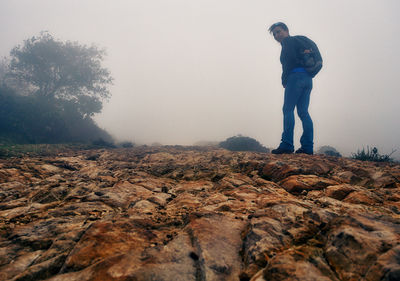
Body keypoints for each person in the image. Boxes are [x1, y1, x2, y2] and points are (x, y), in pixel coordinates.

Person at [268, 22, 322, 155]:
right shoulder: (301, 41)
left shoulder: (288, 42)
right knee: (303, 112)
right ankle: (307, 147)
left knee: (287, 109)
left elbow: (289, 61)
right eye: (274, 34)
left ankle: (287, 144)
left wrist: (284, 79)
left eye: (278, 31)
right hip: (308, 79)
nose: (276, 35)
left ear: (286, 31)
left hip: (295, 78)